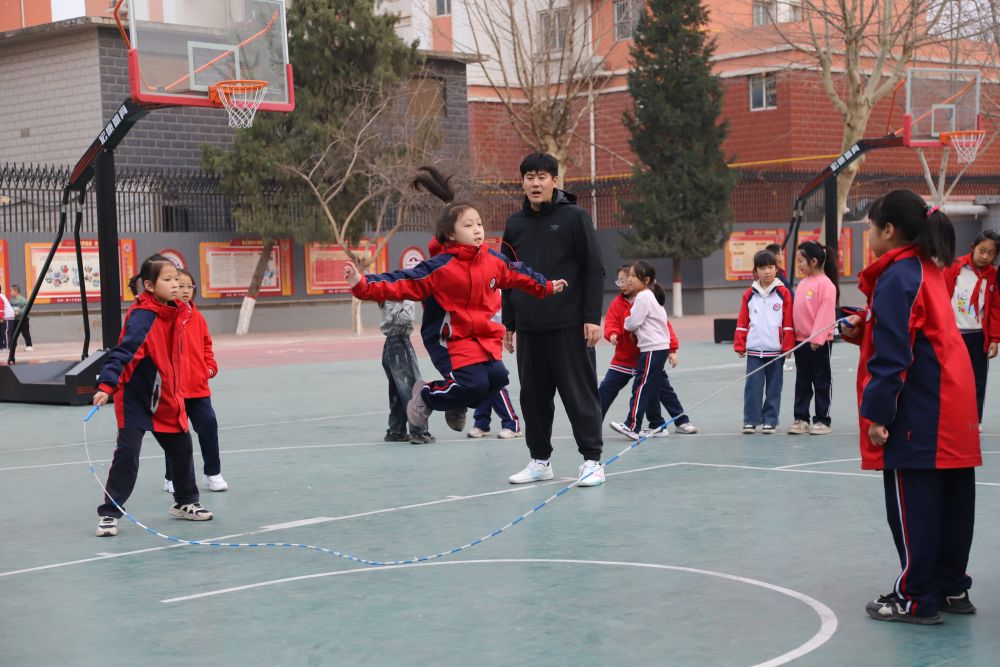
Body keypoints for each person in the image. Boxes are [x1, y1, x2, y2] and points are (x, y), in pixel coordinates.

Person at [841, 190, 981, 625]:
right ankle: (950, 586)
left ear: (889, 230)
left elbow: (893, 354)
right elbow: (915, 332)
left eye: (870, 227)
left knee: (913, 501)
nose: (868, 234)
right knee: (954, 498)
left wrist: (878, 414)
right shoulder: (928, 270)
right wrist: (867, 325)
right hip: (954, 400)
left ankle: (916, 597)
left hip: (923, 405)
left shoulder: (898, 277)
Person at [344, 166, 566, 439]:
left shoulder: (493, 261)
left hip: (482, 336)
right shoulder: (440, 267)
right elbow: (401, 281)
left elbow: (517, 273)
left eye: (479, 224)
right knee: (473, 384)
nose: (477, 230)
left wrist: (546, 286)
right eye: (468, 226)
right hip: (449, 339)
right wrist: (362, 284)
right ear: (451, 235)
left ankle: (455, 401)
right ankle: (426, 394)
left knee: (498, 377)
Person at [501, 153, 607, 487]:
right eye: (529, 177)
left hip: (569, 326)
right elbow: (507, 276)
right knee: (533, 399)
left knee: (579, 396)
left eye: (542, 177)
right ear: (522, 182)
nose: (535, 183)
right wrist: (509, 323)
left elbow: (594, 269)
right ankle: (539, 461)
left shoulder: (575, 217)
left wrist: (592, 317)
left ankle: (592, 461)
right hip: (530, 328)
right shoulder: (514, 224)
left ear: (554, 181)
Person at [92, 254, 213, 537]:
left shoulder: (178, 312)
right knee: (128, 454)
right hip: (136, 400)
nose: (175, 285)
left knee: (182, 449)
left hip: (167, 397)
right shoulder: (143, 316)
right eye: (168, 280)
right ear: (149, 285)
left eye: (177, 280)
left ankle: (184, 502)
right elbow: (124, 353)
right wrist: (106, 386)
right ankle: (109, 513)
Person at [600, 263, 697, 437]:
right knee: (607, 389)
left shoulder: (645, 298)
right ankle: (592, 423)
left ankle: (680, 421)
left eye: (628, 278)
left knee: (660, 390)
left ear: (643, 280)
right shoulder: (617, 304)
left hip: (648, 354)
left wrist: (672, 349)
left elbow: (663, 325)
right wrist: (612, 334)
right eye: (620, 280)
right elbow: (610, 324)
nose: (624, 283)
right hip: (624, 359)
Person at [163, 269, 228, 493]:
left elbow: (207, 346)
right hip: (174, 389)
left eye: (188, 286)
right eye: (179, 286)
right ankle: (171, 477)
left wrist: (209, 368)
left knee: (208, 426)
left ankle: (212, 473)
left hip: (198, 387)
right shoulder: (165, 317)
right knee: (174, 434)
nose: (184, 291)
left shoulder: (198, 317)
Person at [607, 261, 674, 440]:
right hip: (657, 348)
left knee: (641, 387)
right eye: (628, 275)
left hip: (652, 348)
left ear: (646, 280)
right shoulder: (650, 296)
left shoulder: (643, 297)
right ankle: (657, 425)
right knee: (649, 386)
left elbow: (632, 322)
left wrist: (627, 323)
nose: (628, 279)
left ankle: (632, 426)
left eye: (633, 276)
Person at [942, 229, 1000, 431]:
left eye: (991, 253)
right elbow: (941, 295)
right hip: (952, 334)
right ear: (973, 248)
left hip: (977, 336)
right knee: (950, 378)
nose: (984, 256)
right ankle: (949, 416)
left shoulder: (993, 276)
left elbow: (995, 309)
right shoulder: (955, 267)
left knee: (978, 379)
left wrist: (995, 338)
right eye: (982, 250)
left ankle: (975, 419)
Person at [734, 250, 795, 434]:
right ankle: (750, 420)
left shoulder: (784, 293)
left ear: (777, 269)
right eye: (762, 268)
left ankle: (770, 420)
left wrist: (788, 346)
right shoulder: (749, 295)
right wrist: (740, 344)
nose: (767, 271)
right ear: (756, 271)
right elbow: (743, 321)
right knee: (753, 387)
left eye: (770, 267)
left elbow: (788, 322)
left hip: (776, 352)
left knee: (774, 389)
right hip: (754, 351)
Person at [787, 241, 838, 435]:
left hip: (819, 343)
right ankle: (801, 418)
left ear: (813, 261)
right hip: (801, 342)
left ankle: (822, 420)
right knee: (802, 380)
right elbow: (796, 313)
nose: (798, 265)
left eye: (801, 260)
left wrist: (817, 339)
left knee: (821, 380)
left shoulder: (826, 285)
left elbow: (825, 313)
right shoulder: (802, 284)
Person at [379, 299, 435, 445]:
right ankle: (419, 431)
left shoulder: (388, 292)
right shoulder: (398, 293)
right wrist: (409, 299)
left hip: (391, 344)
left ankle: (396, 430)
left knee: (398, 391)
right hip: (400, 342)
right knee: (413, 389)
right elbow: (406, 317)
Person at [8, 285, 31, 351]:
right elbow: (10, 308)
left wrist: (19, 312)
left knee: (25, 332)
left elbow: (26, 308)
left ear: (16, 291)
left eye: (11, 291)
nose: (10, 292)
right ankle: (13, 346)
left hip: (23, 319)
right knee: (13, 333)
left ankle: (29, 345)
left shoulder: (22, 300)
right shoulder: (12, 300)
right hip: (15, 319)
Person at [0, 285, 13, 350]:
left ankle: (8, 346)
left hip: (7, 316)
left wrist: (1, 317)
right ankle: (3, 346)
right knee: (4, 331)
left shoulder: (0, 296)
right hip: (5, 316)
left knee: (6, 332)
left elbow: (1, 308)